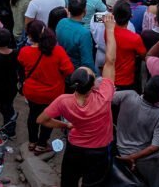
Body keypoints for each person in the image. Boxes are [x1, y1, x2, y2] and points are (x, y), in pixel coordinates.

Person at [37, 10, 121, 187]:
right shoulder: (104, 95)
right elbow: (110, 61)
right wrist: (110, 30)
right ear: (92, 86)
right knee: (94, 183)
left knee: (69, 181)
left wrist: (65, 125)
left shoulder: (64, 101)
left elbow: (42, 119)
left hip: (75, 148)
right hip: (99, 150)